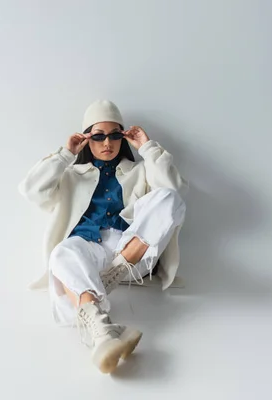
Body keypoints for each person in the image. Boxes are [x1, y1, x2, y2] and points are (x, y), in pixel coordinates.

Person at [18, 100, 187, 374]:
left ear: (122, 137)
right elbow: (31, 190)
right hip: (87, 249)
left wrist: (147, 147)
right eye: (98, 136)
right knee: (61, 254)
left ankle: (116, 273)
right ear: (87, 139)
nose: (106, 142)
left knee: (169, 198)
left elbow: (175, 189)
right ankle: (105, 334)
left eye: (114, 135)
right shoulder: (72, 175)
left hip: (132, 249)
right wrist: (65, 155)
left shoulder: (140, 170)